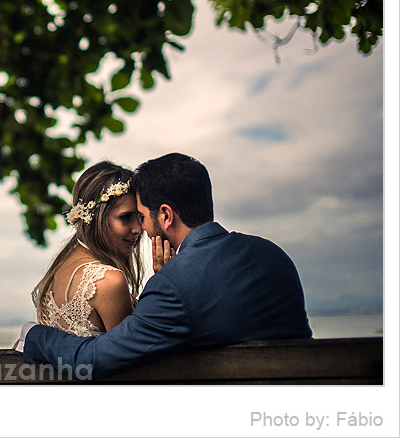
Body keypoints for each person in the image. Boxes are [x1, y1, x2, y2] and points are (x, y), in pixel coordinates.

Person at [16, 152, 312, 380]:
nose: (141, 229)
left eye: (142, 216)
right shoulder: (272, 255)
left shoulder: (174, 285)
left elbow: (94, 360)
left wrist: (35, 335)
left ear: (166, 216)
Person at [31, 161, 145, 337]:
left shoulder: (58, 270)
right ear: (97, 217)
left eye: (140, 216)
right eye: (125, 217)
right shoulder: (108, 281)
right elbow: (135, 356)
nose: (138, 228)